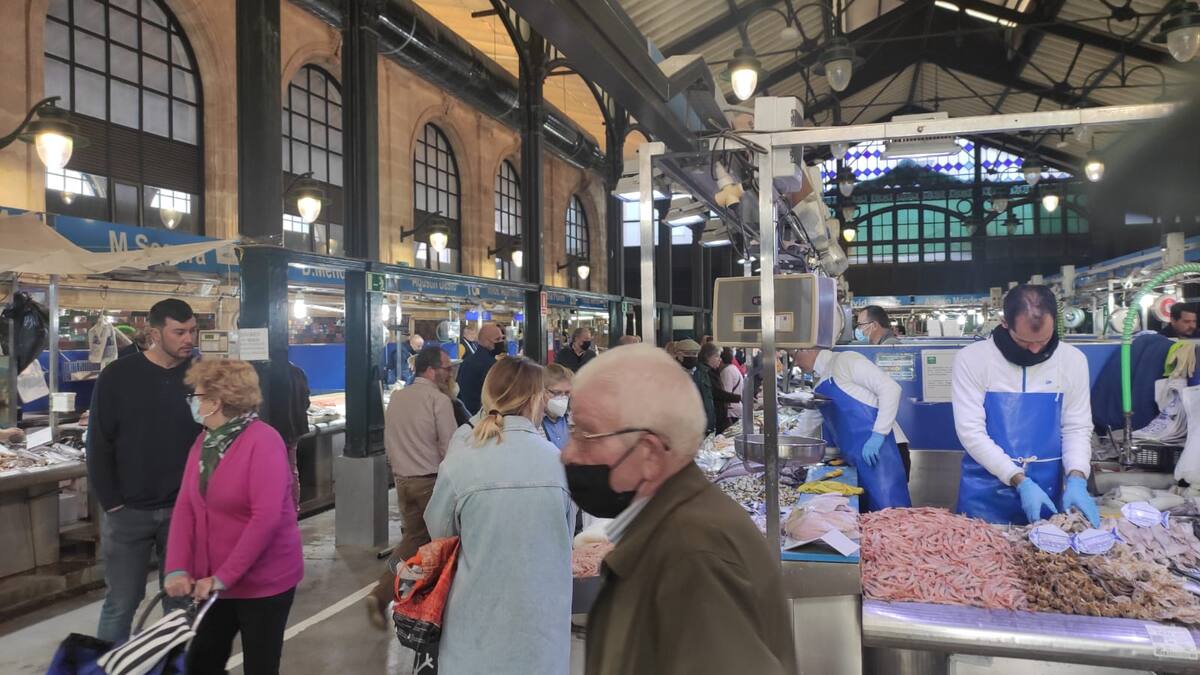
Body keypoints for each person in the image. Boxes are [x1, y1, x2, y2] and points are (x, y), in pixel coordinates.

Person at [561, 345, 794, 675]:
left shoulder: (692, 555)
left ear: (650, 453)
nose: (567, 454)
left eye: (586, 434)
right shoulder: (664, 532)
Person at [424, 356, 574, 674]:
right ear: (536, 399)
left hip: (474, 636)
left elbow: (440, 537)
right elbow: (566, 533)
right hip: (543, 635)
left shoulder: (459, 462)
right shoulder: (560, 464)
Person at [165, 359, 302, 675]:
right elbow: (186, 506)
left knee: (260, 666)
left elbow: (264, 519)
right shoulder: (204, 444)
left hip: (263, 583)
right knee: (202, 662)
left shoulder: (264, 441)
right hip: (210, 582)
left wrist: (225, 575)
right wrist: (177, 566)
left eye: (197, 397)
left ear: (216, 402)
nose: (193, 403)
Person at [86, 298, 199, 642]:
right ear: (154, 332)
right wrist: (113, 502)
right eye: (179, 332)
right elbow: (99, 443)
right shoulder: (118, 376)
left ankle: (176, 664)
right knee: (122, 601)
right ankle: (108, 666)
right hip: (128, 514)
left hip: (183, 511)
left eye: (193, 331)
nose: (188, 339)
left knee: (181, 600)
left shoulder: (199, 376)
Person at [952, 284, 1098, 526]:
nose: (1035, 349)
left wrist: (1077, 477)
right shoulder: (973, 359)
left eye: (1044, 339)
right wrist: (1020, 480)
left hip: (1048, 491)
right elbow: (971, 432)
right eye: (1025, 341)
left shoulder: (1072, 360)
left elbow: (1076, 427)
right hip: (985, 493)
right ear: (1004, 322)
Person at [367, 345, 458, 625]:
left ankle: (397, 593)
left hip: (403, 482)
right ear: (431, 370)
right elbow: (451, 447)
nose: (449, 374)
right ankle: (394, 595)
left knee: (414, 541)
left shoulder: (397, 397)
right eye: (445, 368)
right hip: (430, 484)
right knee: (429, 548)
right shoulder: (439, 401)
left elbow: (390, 440)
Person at [793, 347, 912, 511]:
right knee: (869, 520)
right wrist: (780, 447)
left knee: (891, 518)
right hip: (858, 460)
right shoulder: (820, 384)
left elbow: (890, 388)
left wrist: (878, 435)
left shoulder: (846, 360)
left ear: (809, 349)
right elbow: (804, 428)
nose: (795, 362)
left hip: (885, 451)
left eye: (794, 354)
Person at [455, 323, 505, 414]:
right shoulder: (491, 365)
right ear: (486, 341)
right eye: (497, 339)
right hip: (484, 416)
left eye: (502, 338)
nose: (501, 342)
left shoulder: (466, 362)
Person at [694, 342, 740, 434]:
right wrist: (738, 398)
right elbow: (716, 393)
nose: (720, 359)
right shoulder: (705, 373)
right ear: (709, 357)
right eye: (717, 356)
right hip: (714, 419)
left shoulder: (712, 371)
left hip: (718, 417)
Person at [541, 363, 573, 449]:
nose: (563, 398)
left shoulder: (576, 419)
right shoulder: (532, 422)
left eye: (567, 393)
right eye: (556, 393)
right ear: (541, 391)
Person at [719, 347, 745, 424]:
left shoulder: (727, 371)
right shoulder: (733, 368)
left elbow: (726, 393)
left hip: (732, 411)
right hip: (735, 408)